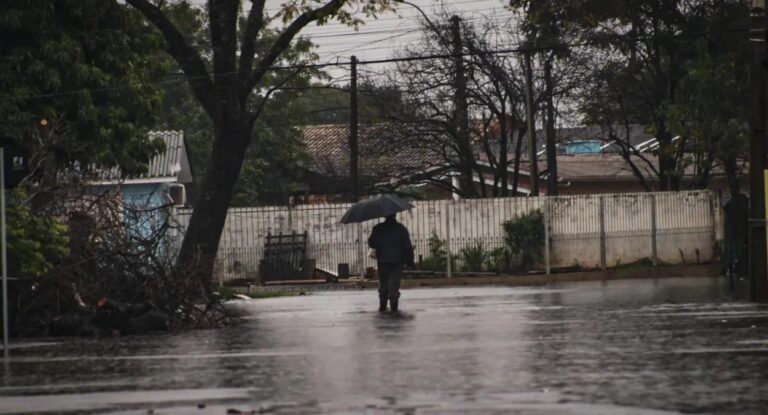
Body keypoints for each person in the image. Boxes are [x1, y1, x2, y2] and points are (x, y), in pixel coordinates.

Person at [368, 214, 415, 312]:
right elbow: (407, 247)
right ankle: (394, 304)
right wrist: (410, 262)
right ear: (395, 215)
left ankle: (383, 306)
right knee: (394, 283)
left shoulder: (378, 228)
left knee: (384, 284)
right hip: (397, 262)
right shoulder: (401, 229)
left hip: (383, 261)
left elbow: (371, 243)